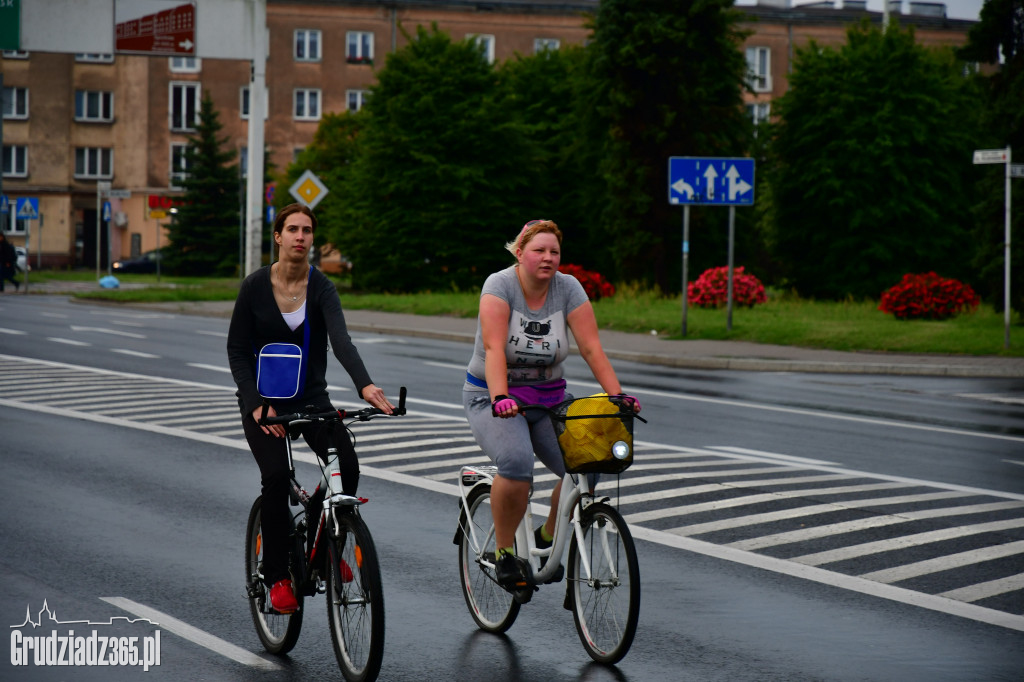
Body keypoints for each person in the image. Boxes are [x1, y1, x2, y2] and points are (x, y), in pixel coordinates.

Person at [227, 203, 394, 614]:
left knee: (347, 466)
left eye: (307, 230)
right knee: (278, 479)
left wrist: (365, 384)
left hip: (311, 399)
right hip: (265, 403)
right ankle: (277, 575)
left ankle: (329, 535)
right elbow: (236, 350)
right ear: (279, 237)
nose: (301, 236)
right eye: (293, 229)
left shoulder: (322, 288)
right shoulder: (253, 287)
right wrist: (255, 405)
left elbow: (341, 341)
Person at [462, 219, 640, 588]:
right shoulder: (499, 286)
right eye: (539, 250)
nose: (547, 258)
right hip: (492, 396)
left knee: (590, 461)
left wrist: (616, 396)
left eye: (554, 252)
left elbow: (591, 348)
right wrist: (500, 398)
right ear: (520, 252)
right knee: (515, 463)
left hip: (549, 399)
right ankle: (505, 551)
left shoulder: (568, 288)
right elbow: (495, 348)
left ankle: (546, 534)